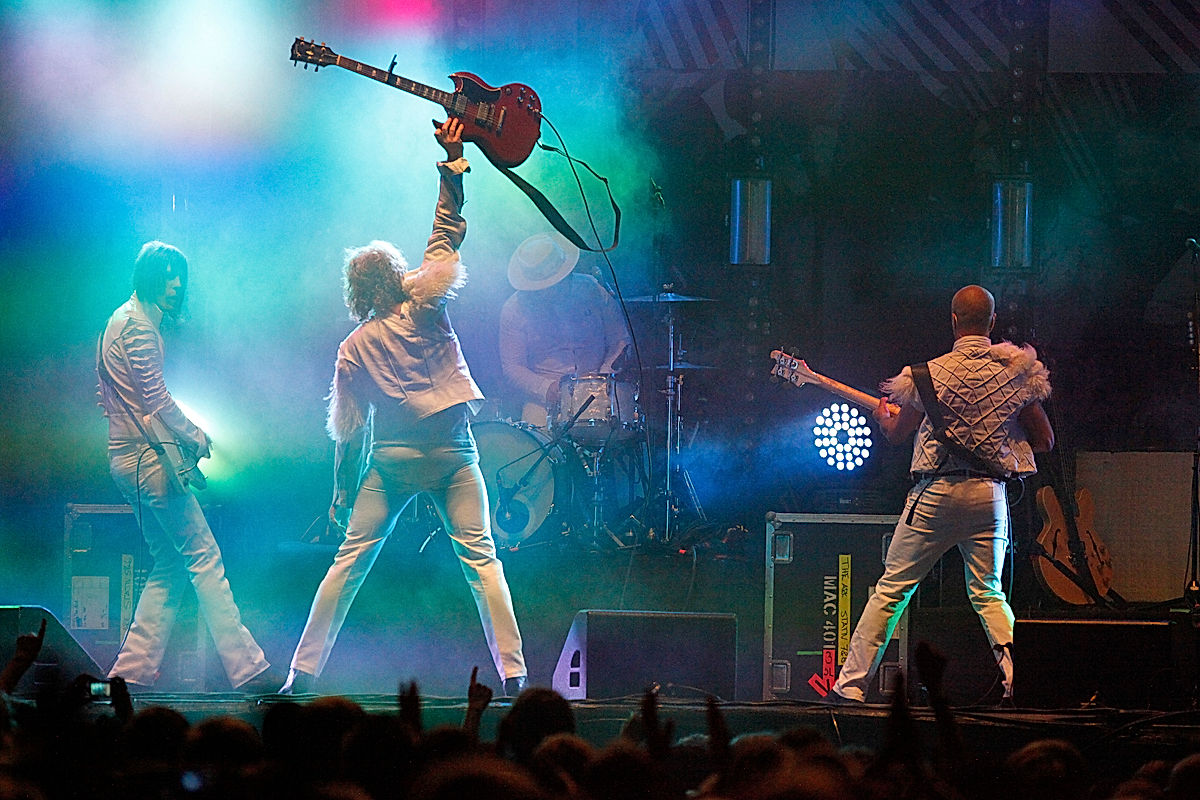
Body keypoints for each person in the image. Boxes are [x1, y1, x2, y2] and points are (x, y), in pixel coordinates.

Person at [280, 118, 527, 696]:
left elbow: (347, 433)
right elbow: (447, 233)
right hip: (451, 454)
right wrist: (453, 160)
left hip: (391, 462)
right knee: (483, 561)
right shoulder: (426, 301)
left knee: (348, 564)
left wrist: (341, 493)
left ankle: (301, 673)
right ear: (396, 276)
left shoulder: (352, 347)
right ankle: (514, 674)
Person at [830, 285, 1054, 703]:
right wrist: (1001, 430)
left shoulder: (924, 375)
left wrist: (883, 418)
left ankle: (851, 687)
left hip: (934, 493)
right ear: (991, 323)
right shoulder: (1016, 374)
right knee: (988, 593)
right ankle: (1014, 684)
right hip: (987, 496)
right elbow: (1044, 441)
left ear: (953, 321)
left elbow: (898, 434)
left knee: (892, 589)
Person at [96, 241, 275, 692]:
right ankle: (248, 668)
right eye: (168, 275)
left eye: (181, 276)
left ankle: (129, 673)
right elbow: (154, 398)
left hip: (128, 459)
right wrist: (196, 435)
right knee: (203, 558)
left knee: (170, 564)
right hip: (146, 460)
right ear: (147, 277)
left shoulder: (123, 319)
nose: (176, 284)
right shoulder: (136, 325)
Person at [498, 233, 631, 428]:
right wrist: (546, 389)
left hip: (601, 391)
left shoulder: (592, 290)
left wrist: (602, 378)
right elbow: (512, 367)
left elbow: (620, 340)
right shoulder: (514, 309)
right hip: (544, 401)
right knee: (537, 450)